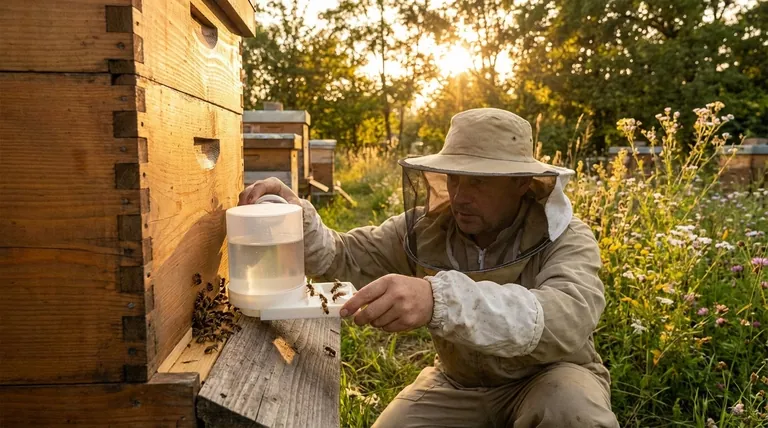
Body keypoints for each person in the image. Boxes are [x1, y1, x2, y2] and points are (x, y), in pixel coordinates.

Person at [239, 108, 619, 427]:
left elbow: (567, 317)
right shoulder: (423, 229)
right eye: (454, 178)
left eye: (478, 182)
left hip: (547, 378)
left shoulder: (566, 236)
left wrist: (439, 300)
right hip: (458, 384)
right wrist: (298, 219)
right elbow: (344, 256)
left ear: (520, 183)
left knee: (573, 414)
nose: (460, 196)